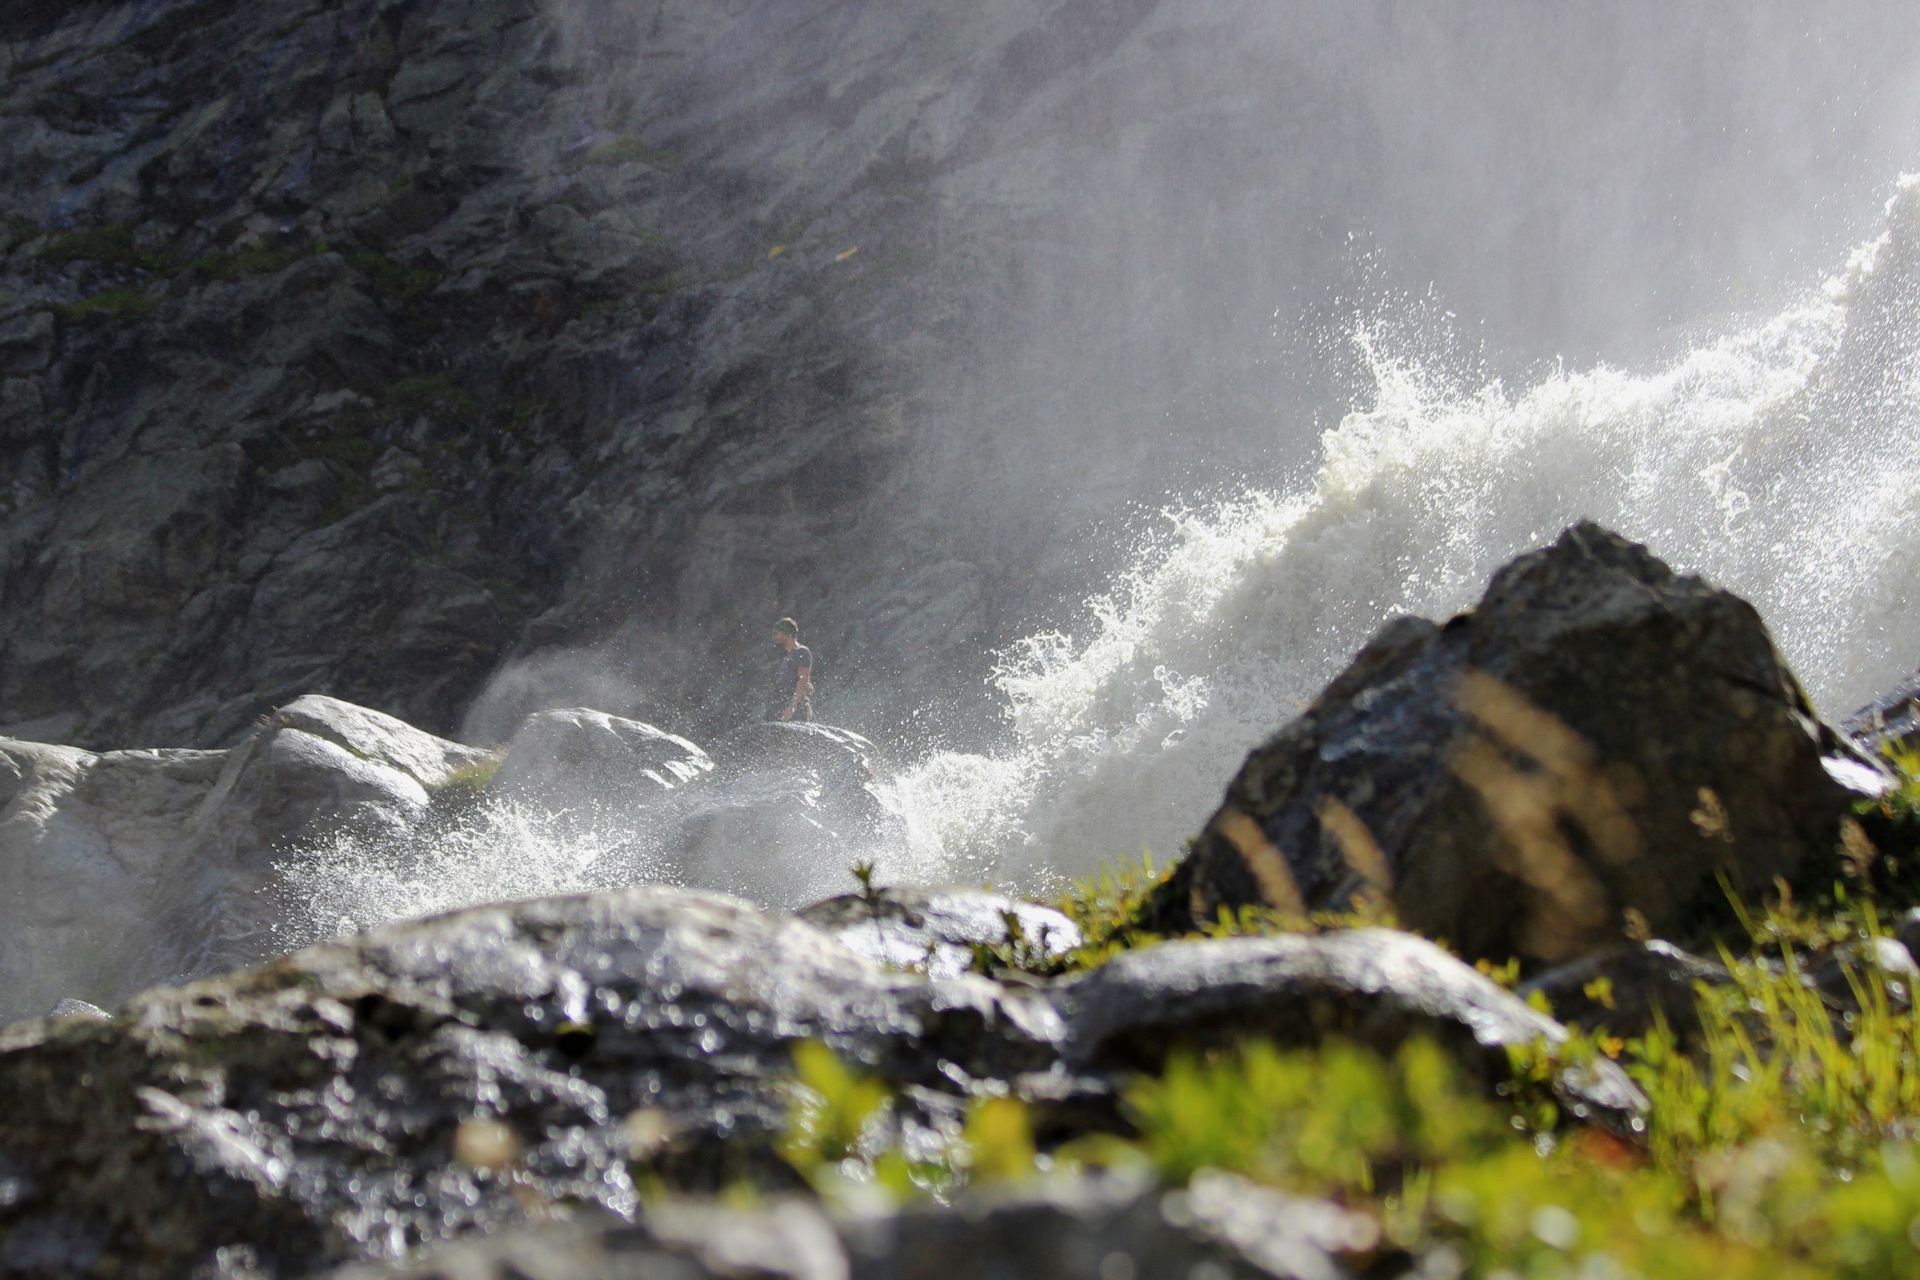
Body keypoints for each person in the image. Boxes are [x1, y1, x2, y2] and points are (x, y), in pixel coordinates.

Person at [765, 617, 813, 722]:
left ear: (787, 634)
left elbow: (803, 680)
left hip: (795, 708)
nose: (774, 637)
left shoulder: (802, 652)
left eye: (776, 633)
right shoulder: (785, 656)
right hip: (781, 706)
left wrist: (792, 706)